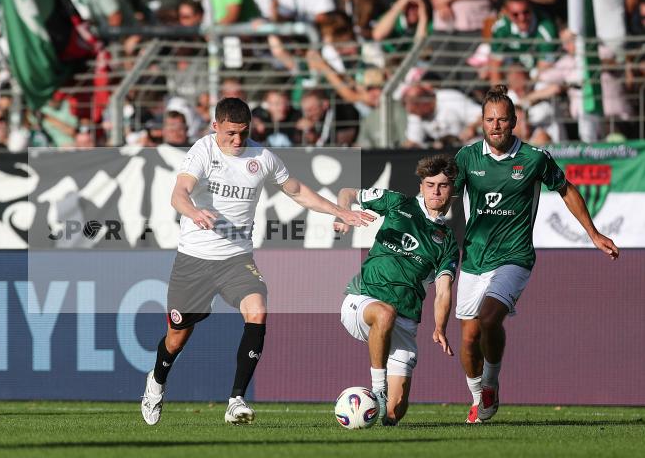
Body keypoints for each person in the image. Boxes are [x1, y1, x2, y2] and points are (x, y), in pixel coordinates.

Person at [140, 97, 374, 426]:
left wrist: (340, 211)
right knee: (177, 337)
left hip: (236, 259)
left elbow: (297, 191)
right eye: (230, 133)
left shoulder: (262, 157)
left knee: (258, 310)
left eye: (244, 132)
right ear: (215, 126)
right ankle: (156, 380)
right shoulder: (202, 151)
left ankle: (236, 400)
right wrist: (194, 212)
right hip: (195, 259)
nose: (238, 140)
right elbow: (179, 193)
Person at [453, 85, 619, 424]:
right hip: (473, 258)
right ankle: (478, 396)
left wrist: (593, 233)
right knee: (469, 339)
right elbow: (444, 197)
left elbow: (566, 189)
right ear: (482, 122)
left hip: (514, 256)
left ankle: (490, 383)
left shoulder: (534, 158)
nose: (496, 126)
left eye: (502, 119)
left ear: (514, 121)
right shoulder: (467, 157)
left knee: (489, 319)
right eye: (489, 119)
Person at [337, 154, 459, 425]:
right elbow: (346, 193)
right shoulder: (398, 203)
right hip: (363, 298)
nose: (436, 191)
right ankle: (377, 388)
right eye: (430, 185)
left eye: (442, 186)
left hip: (405, 317)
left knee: (394, 412)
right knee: (384, 313)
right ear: (421, 186)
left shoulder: (448, 242)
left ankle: (382, 409)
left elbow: (443, 291)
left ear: (452, 189)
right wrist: (344, 215)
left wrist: (440, 327)